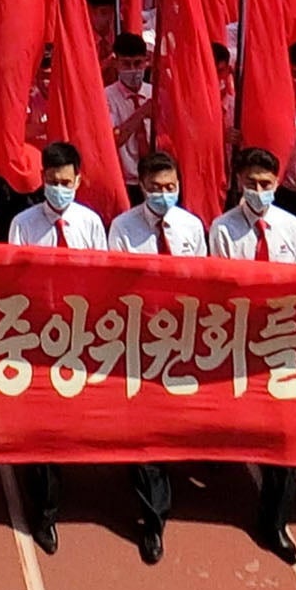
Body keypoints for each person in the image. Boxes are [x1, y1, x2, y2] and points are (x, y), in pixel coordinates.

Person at [4, 139, 109, 553]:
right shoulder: (24, 224)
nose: (59, 188)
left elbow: (102, 276)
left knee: (76, 421)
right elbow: (14, 279)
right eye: (52, 180)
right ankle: (45, 512)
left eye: (66, 181)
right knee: (44, 424)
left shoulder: (91, 224)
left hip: (80, 334)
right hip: (39, 335)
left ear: (79, 180)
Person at [207, 145, 296, 563]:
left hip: (282, 339)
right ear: (239, 184)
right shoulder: (223, 229)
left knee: (282, 434)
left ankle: (275, 522)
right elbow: (220, 286)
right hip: (240, 337)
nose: (259, 191)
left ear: (277, 184)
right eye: (252, 184)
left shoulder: (290, 226)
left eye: (266, 184)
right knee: (232, 418)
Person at [108, 147, 205, 560]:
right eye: (155, 188)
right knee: (148, 433)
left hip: (183, 338)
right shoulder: (123, 228)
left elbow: (204, 278)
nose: (164, 194)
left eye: (171, 187)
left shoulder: (192, 226)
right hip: (140, 339)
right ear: (142, 187)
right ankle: (154, 519)